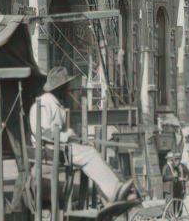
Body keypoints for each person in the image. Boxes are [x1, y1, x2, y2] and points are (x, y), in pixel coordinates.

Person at [29, 67, 136, 204]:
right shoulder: (44, 102)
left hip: (56, 149)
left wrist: (73, 139)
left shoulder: (55, 103)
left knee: (91, 151)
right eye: (66, 85)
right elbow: (44, 133)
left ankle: (113, 191)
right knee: (90, 154)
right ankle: (113, 192)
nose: (68, 88)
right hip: (48, 152)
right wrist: (67, 136)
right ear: (59, 87)